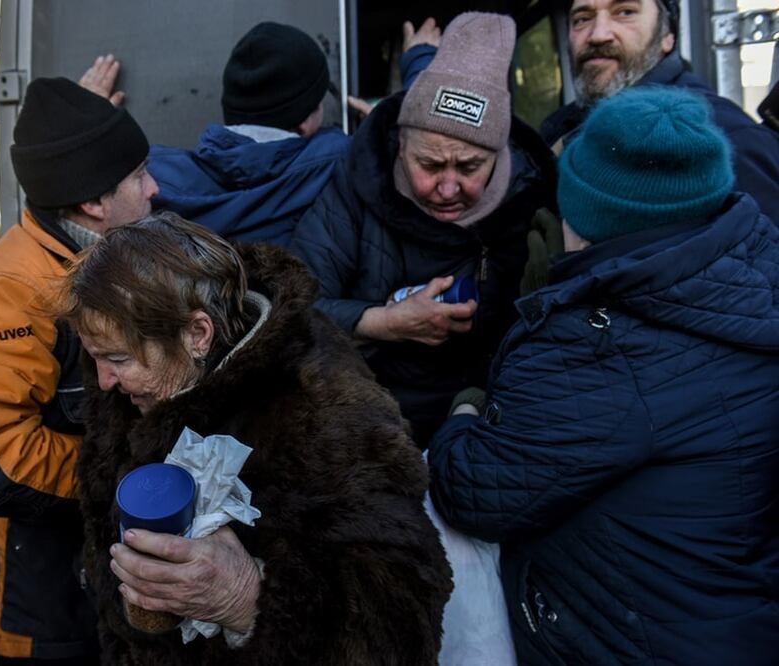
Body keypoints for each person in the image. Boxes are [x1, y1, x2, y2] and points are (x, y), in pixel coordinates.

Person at [428, 87, 779, 665]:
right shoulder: (751, 273)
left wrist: (465, 411)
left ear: (585, 217)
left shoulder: (598, 342)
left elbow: (474, 491)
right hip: (733, 625)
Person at [59, 212, 452, 664]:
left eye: (118, 359)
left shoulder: (323, 413)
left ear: (197, 333)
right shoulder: (134, 387)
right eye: (97, 359)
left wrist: (246, 599)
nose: (104, 380)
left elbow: (402, 623)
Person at [0, 77, 158, 664]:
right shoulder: (12, 288)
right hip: (44, 601)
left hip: (100, 579)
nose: (156, 188)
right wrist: (120, 479)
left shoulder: (109, 256)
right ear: (94, 203)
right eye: (140, 175)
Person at [290, 12, 557, 446]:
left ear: (500, 156)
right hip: (370, 417)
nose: (448, 187)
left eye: (471, 167)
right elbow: (293, 305)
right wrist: (380, 323)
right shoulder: (358, 186)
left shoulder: (533, 203)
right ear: (400, 147)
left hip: (491, 419)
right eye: (429, 165)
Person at [82, 22, 436, 248]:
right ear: (305, 122)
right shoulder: (340, 161)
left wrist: (87, 120)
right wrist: (420, 65)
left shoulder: (153, 174)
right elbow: (425, 142)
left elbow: (90, 180)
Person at [543, 0, 779, 223]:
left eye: (625, 12)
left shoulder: (722, 137)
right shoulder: (560, 128)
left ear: (668, 36)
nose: (598, 35)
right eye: (582, 19)